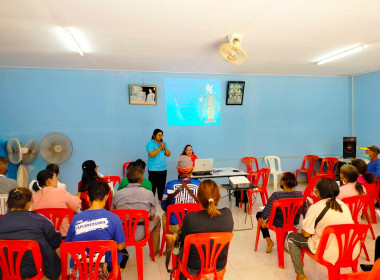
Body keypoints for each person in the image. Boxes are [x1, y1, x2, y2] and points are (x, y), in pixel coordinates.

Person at [287, 178, 355, 280]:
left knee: (291, 237)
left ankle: (300, 274)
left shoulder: (316, 207)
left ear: (318, 192)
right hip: (349, 250)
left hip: (327, 250)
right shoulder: (343, 205)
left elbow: (306, 234)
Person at [174, 179, 233, 280]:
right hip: (218, 265)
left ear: (198, 198)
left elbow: (181, 239)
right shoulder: (227, 215)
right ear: (218, 197)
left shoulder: (190, 218)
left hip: (192, 267)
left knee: (178, 250)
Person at [0, 187, 62, 280]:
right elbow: (55, 242)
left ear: (7, 204)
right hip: (33, 270)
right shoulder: (39, 219)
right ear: (29, 204)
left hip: (3, 270)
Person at [66, 181, 127, 273]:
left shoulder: (76, 218)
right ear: (106, 197)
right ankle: (111, 276)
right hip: (104, 264)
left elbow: (69, 246)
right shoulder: (113, 218)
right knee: (124, 254)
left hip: (79, 266)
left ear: (87, 198)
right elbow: (120, 246)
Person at [111, 165, 161, 255]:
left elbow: (113, 215)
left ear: (127, 179)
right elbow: (152, 217)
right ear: (141, 180)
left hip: (122, 233)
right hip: (142, 232)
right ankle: (154, 251)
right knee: (157, 219)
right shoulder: (149, 193)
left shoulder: (117, 194)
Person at [256, 172, 307, 253]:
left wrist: (264, 220)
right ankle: (284, 242)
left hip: (279, 223)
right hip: (294, 223)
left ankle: (269, 241)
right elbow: (305, 212)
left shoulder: (276, 195)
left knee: (259, 214)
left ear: (282, 182)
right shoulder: (301, 195)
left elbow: (266, 212)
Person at [31, 169, 81, 236]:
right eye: (55, 178)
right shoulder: (61, 192)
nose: (57, 181)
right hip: (63, 235)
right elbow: (75, 205)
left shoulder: (34, 197)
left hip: (42, 236)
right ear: (49, 181)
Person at [161, 155, 200, 234]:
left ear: (178, 170)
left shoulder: (170, 184)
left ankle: (172, 242)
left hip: (175, 226)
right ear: (192, 169)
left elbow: (164, 206)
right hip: (194, 226)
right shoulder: (199, 185)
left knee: (164, 215)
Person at [146, 129, 171, 202]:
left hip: (163, 168)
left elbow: (168, 154)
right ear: (154, 136)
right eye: (159, 135)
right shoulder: (150, 144)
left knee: (162, 186)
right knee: (153, 186)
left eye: (161, 135)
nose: (160, 137)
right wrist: (160, 147)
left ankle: (161, 200)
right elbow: (151, 154)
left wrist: (164, 147)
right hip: (153, 169)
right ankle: (151, 201)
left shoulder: (164, 143)